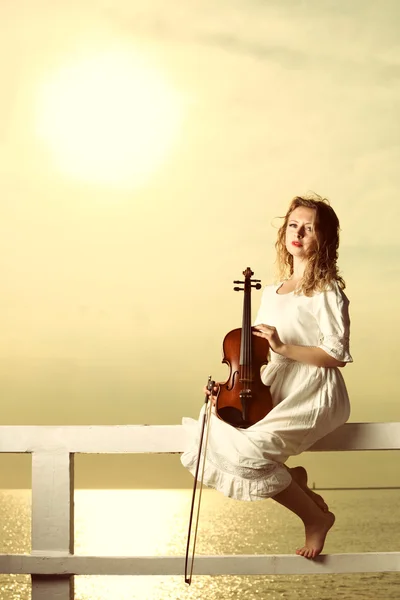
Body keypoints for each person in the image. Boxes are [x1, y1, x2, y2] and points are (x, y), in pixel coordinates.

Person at [181, 194, 353, 559]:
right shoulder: (273, 291)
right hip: (273, 382)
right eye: (293, 225)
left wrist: (284, 347)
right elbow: (256, 353)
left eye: (309, 228)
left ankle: (315, 519)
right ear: (284, 232)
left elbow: (336, 355)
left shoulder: (328, 289)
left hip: (313, 388)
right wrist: (230, 389)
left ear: (324, 239)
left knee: (251, 452)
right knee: (213, 426)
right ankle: (298, 484)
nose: (299, 233)